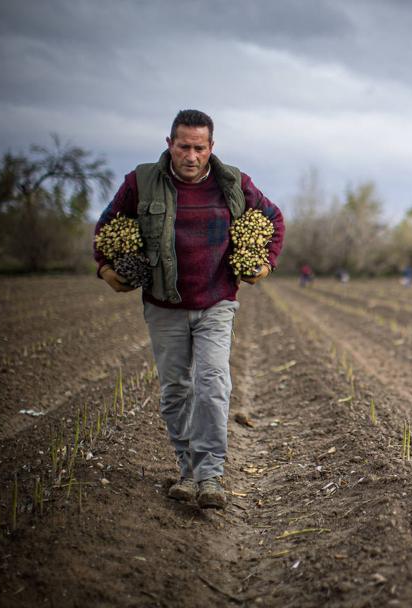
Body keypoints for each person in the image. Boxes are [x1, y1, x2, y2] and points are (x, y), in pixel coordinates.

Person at [94, 110, 285, 509]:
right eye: (184, 146)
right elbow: (108, 225)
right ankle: (188, 470)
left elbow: (273, 219)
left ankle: (211, 475)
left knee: (214, 384)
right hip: (164, 304)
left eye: (200, 148)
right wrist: (106, 269)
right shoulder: (142, 182)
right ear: (170, 144)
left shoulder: (233, 181)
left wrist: (265, 263)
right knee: (176, 390)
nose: (192, 155)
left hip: (217, 301)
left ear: (211, 148)